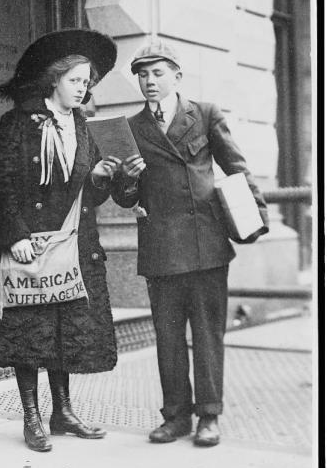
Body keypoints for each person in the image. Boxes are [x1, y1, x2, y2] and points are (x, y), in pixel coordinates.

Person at [112, 39, 269, 447]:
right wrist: (127, 177)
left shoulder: (205, 114)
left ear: (177, 76)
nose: (149, 81)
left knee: (206, 334)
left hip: (205, 242)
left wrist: (258, 216)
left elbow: (236, 166)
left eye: (157, 73)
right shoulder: (130, 128)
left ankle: (209, 417)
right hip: (161, 246)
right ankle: (176, 416)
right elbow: (125, 197)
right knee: (167, 337)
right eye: (142, 74)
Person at [0, 29, 119, 452]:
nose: (83, 88)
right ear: (55, 79)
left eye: (87, 81)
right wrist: (14, 236)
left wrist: (102, 179)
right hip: (29, 246)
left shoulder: (84, 127)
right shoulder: (18, 123)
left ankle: (63, 412)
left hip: (71, 245)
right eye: (76, 80)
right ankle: (32, 417)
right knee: (28, 332)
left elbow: (86, 194)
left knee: (63, 331)